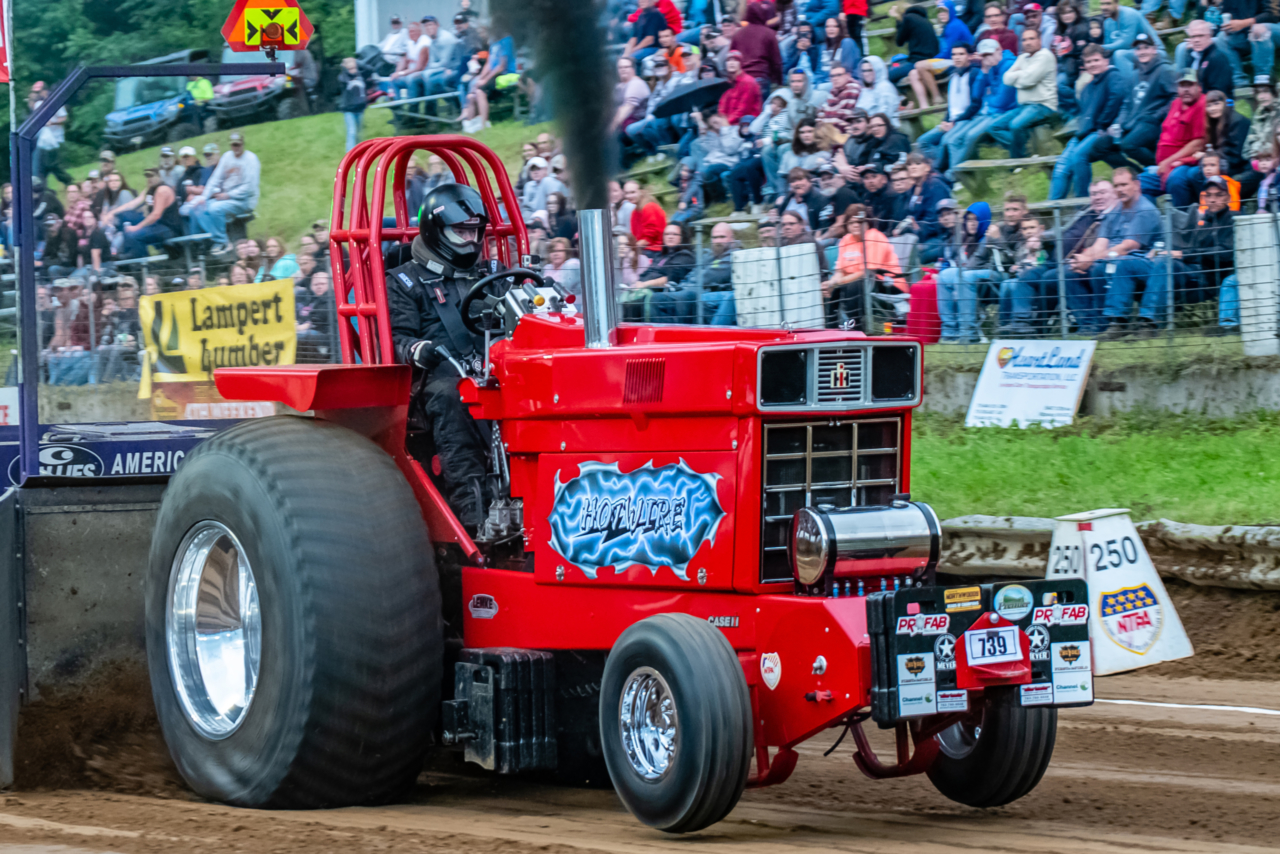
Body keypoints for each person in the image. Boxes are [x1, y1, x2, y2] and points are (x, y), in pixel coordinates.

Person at [386, 183, 497, 529]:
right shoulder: (404, 281)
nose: (470, 239)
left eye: (474, 231)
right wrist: (417, 349)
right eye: (460, 231)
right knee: (453, 395)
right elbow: (395, 339)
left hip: (492, 363)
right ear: (437, 232)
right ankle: (476, 517)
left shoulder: (490, 275)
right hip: (434, 375)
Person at [1065, 167, 1163, 337]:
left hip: (1143, 263)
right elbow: (1099, 244)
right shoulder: (1114, 211)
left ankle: (1118, 322)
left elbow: (1128, 246)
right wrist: (1083, 258)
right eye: (1117, 185)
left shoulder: (1145, 210)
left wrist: (1093, 258)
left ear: (1136, 185)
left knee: (1110, 266)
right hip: (1114, 259)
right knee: (1070, 272)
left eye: (1124, 185)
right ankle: (1090, 324)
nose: (1120, 190)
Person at [1050, 44, 1125, 200]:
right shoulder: (1087, 88)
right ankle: (1052, 208)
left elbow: (1116, 98)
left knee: (1078, 157)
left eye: (1096, 60)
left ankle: (1082, 205)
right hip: (1083, 133)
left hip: (1102, 131)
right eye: (1089, 62)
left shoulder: (1113, 77)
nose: (1092, 64)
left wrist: (1103, 124)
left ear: (1106, 60)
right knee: (1061, 167)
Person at [1092, 34, 1176, 172]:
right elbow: (1126, 103)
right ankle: (1136, 173)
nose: (1142, 51)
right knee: (1098, 147)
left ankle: (1160, 169)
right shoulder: (1135, 74)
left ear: (1154, 49)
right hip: (1131, 122)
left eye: (1146, 47)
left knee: (1129, 144)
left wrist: (1158, 115)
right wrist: (1118, 123)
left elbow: (1175, 96)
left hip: (1151, 122)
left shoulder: (1164, 70)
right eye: (1138, 48)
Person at [942, 40, 1018, 181]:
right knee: (953, 139)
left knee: (970, 135)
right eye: (984, 56)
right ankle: (957, 175)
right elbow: (977, 94)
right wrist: (983, 70)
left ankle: (954, 174)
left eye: (989, 54)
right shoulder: (990, 67)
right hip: (991, 112)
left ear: (998, 50)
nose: (987, 58)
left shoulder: (1008, 65)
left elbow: (1002, 100)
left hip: (1005, 111)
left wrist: (989, 100)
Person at [822, 203, 904, 327]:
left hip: (888, 283)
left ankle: (857, 327)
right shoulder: (846, 240)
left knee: (854, 285)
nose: (855, 225)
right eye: (851, 222)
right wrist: (831, 283)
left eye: (859, 222)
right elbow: (840, 271)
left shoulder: (874, 236)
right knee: (829, 289)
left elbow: (868, 272)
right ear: (846, 225)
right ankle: (830, 329)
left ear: (867, 223)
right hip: (857, 283)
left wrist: (839, 282)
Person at [1140, 71, 1208, 205]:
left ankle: (1182, 223)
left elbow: (1198, 143)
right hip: (1165, 166)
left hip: (1186, 163)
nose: (1186, 89)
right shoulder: (1176, 103)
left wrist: (1168, 161)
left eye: (1190, 85)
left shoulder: (1202, 104)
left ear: (1199, 86)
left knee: (1176, 180)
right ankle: (1153, 222)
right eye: (1182, 85)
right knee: (1138, 183)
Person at [988, 28, 1057, 159]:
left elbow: (1027, 81)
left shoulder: (1045, 55)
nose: (1028, 42)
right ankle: (1025, 149)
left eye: (1032, 38)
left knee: (1015, 125)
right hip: (1024, 106)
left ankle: (1018, 161)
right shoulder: (1022, 57)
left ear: (1039, 40)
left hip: (1042, 105)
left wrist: (1018, 75)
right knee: (994, 127)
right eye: (1024, 39)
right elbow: (1006, 79)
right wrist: (1023, 75)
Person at [935, 202, 999, 342]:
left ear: (984, 219)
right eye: (969, 219)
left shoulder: (989, 236)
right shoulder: (968, 238)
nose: (972, 223)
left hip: (991, 276)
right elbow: (957, 261)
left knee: (962, 276)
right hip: (971, 274)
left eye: (976, 219)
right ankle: (950, 332)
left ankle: (968, 333)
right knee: (943, 276)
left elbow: (974, 263)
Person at [190, 132, 260, 254]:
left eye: (238, 145)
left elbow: (249, 187)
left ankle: (221, 242)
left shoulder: (251, 159)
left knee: (215, 209)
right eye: (233, 145)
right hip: (227, 198)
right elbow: (215, 178)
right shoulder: (227, 157)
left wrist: (228, 195)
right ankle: (222, 240)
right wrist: (204, 197)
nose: (236, 148)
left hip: (244, 200)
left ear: (243, 144)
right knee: (198, 207)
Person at [916, 43, 981, 172]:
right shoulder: (953, 75)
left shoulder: (974, 74)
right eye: (954, 54)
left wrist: (955, 122)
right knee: (922, 142)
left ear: (969, 56)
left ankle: (947, 173)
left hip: (966, 120)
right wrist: (945, 121)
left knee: (946, 141)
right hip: (951, 121)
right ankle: (939, 168)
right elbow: (951, 105)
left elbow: (975, 104)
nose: (957, 57)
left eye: (961, 54)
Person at [117, 169, 182, 259]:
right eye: (147, 176)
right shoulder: (152, 190)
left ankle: (140, 263)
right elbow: (143, 207)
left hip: (169, 229)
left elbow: (156, 215)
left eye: (152, 176)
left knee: (134, 234)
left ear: (159, 177)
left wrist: (136, 227)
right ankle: (132, 256)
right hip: (159, 226)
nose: (149, 179)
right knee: (126, 218)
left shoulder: (161, 190)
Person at [889, 3, 942, 102]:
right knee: (896, 64)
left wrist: (897, 19)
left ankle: (902, 98)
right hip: (928, 59)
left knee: (890, 72)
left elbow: (899, 41)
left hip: (916, 62)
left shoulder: (909, 18)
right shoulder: (926, 21)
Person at [1099, 0, 1166, 77]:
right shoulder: (1107, 23)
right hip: (1135, 54)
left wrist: (1101, 47)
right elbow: (1108, 49)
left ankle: (1130, 86)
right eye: (1102, 4)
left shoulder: (1128, 15)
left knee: (1119, 54)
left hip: (1154, 51)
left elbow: (1127, 43)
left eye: (1108, 4)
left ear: (1116, 3)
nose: (1104, 7)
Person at [732, 2, 784, 98]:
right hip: (761, 78)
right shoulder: (769, 34)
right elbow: (776, 61)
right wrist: (779, 82)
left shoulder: (738, 34)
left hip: (742, 79)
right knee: (760, 111)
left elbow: (731, 58)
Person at [696, 222, 744, 326]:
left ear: (732, 238)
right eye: (715, 237)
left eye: (722, 237)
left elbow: (711, 276)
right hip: (709, 293)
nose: (718, 241)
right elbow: (696, 274)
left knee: (693, 298)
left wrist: (695, 280)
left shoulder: (735, 254)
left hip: (726, 293)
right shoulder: (710, 256)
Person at [815, 64, 862, 135]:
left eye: (839, 75)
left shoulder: (852, 89)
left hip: (841, 137)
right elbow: (821, 117)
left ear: (848, 75)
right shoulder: (833, 92)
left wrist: (825, 124)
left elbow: (841, 121)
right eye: (832, 76)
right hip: (830, 135)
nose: (835, 78)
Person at [719, 51, 764, 124]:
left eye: (735, 60)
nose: (731, 63)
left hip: (746, 125)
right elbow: (722, 107)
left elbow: (743, 109)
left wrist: (726, 122)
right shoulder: (727, 83)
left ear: (741, 63)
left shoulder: (748, 82)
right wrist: (721, 121)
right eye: (728, 60)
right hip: (729, 125)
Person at [611, 57, 651, 138]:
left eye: (626, 67)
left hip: (638, 121)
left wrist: (610, 129)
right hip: (624, 121)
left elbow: (627, 108)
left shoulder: (636, 83)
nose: (623, 69)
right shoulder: (619, 85)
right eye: (620, 67)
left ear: (633, 69)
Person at [857, 57, 901, 127]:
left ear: (878, 69)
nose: (866, 74)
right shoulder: (865, 91)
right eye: (863, 71)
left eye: (870, 70)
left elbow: (885, 114)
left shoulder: (884, 87)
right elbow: (858, 112)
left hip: (886, 129)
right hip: (866, 129)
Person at [625, 180, 667, 247]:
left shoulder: (649, 207)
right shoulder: (634, 212)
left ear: (641, 192)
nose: (629, 196)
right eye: (627, 193)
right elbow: (634, 236)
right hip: (644, 248)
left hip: (654, 249)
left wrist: (636, 247)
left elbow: (651, 234)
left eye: (633, 192)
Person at [338, 57, 367, 152]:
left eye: (354, 68)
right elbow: (343, 79)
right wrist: (344, 67)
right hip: (349, 110)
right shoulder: (343, 77)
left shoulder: (361, 75)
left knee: (358, 132)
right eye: (350, 68)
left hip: (360, 109)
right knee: (352, 131)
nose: (352, 70)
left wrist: (358, 62)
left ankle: (358, 151)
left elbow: (370, 69)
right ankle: (349, 154)